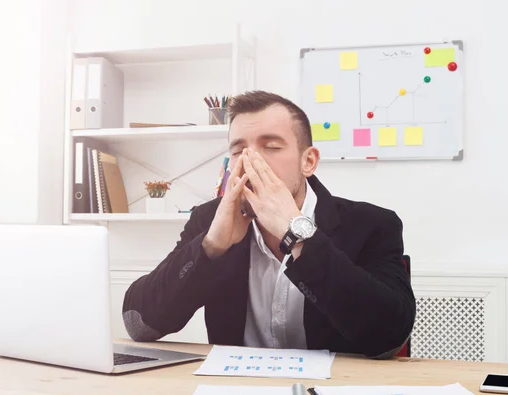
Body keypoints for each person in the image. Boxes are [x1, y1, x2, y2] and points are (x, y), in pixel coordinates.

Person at [122, 90, 416, 359]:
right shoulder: (207, 220)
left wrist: (299, 237)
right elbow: (140, 324)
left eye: (271, 147)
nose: (251, 162)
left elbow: (389, 337)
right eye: (238, 151)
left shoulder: (372, 224)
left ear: (308, 162)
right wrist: (211, 247)